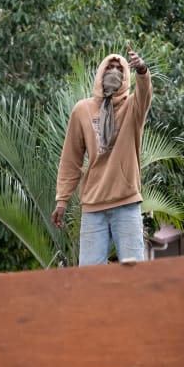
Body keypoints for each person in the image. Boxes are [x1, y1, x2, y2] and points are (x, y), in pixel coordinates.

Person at [52, 48, 152, 265]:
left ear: (126, 76)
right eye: (109, 67)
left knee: (135, 276)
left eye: (119, 69)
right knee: (90, 278)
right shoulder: (83, 110)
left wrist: (142, 71)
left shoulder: (133, 107)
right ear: (100, 73)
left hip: (126, 204)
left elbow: (145, 94)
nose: (114, 72)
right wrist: (62, 200)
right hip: (93, 207)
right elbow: (71, 158)